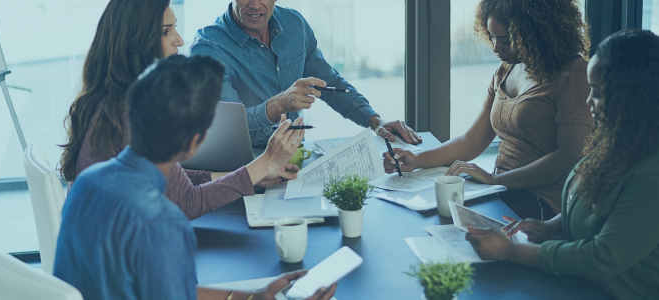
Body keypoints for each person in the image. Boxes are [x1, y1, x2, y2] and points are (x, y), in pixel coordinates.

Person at [54, 55, 336, 300]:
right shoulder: (162, 221)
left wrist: (254, 297)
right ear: (195, 143)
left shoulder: (87, 182)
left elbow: (171, 291)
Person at [58, 0, 303, 220]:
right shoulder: (133, 114)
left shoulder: (108, 101)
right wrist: (267, 161)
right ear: (136, 43)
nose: (179, 40)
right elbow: (187, 202)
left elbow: (176, 181)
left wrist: (250, 175)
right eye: (166, 32)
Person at [465, 29, 659, 300]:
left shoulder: (652, 175)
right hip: (578, 282)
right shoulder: (620, 140)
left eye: (600, 94)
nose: (589, 102)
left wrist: (512, 251)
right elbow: (589, 205)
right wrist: (553, 227)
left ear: (636, 98)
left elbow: (603, 257)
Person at [383, 0, 593, 220]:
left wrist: (495, 181)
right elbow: (472, 140)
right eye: (492, 37)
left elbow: (568, 157)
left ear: (540, 34)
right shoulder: (506, 70)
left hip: (541, 203)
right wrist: (417, 160)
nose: (496, 48)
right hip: (499, 191)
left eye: (506, 40)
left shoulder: (575, 75)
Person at [188, 0, 421, 146]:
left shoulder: (295, 25)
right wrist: (278, 104)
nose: (256, 4)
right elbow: (226, 129)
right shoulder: (208, 48)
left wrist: (375, 120)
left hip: (296, 157)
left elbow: (330, 84)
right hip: (247, 168)